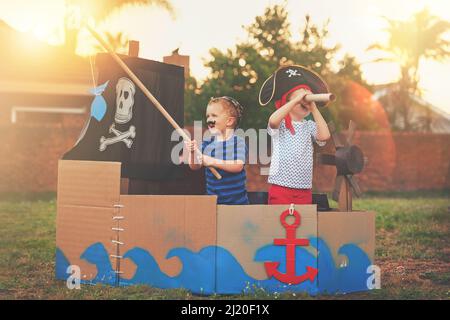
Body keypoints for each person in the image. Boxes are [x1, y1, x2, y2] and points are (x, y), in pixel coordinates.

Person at [259, 65, 331, 205]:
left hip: (304, 188)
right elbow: (273, 121)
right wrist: (295, 101)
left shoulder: (309, 126)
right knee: (279, 222)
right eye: (300, 94)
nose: (305, 98)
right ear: (288, 100)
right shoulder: (282, 125)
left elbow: (324, 136)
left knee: (303, 223)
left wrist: (314, 109)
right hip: (281, 186)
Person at [185, 96, 249, 205]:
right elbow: (195, 166)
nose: (209, 119)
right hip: (213, 203)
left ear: (229, 121)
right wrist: (192, 152)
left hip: (237, 204)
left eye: (214, 115)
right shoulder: (206, 143)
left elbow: (238, 166)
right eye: (208, 116)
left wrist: (212, 161)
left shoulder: (238, 142)